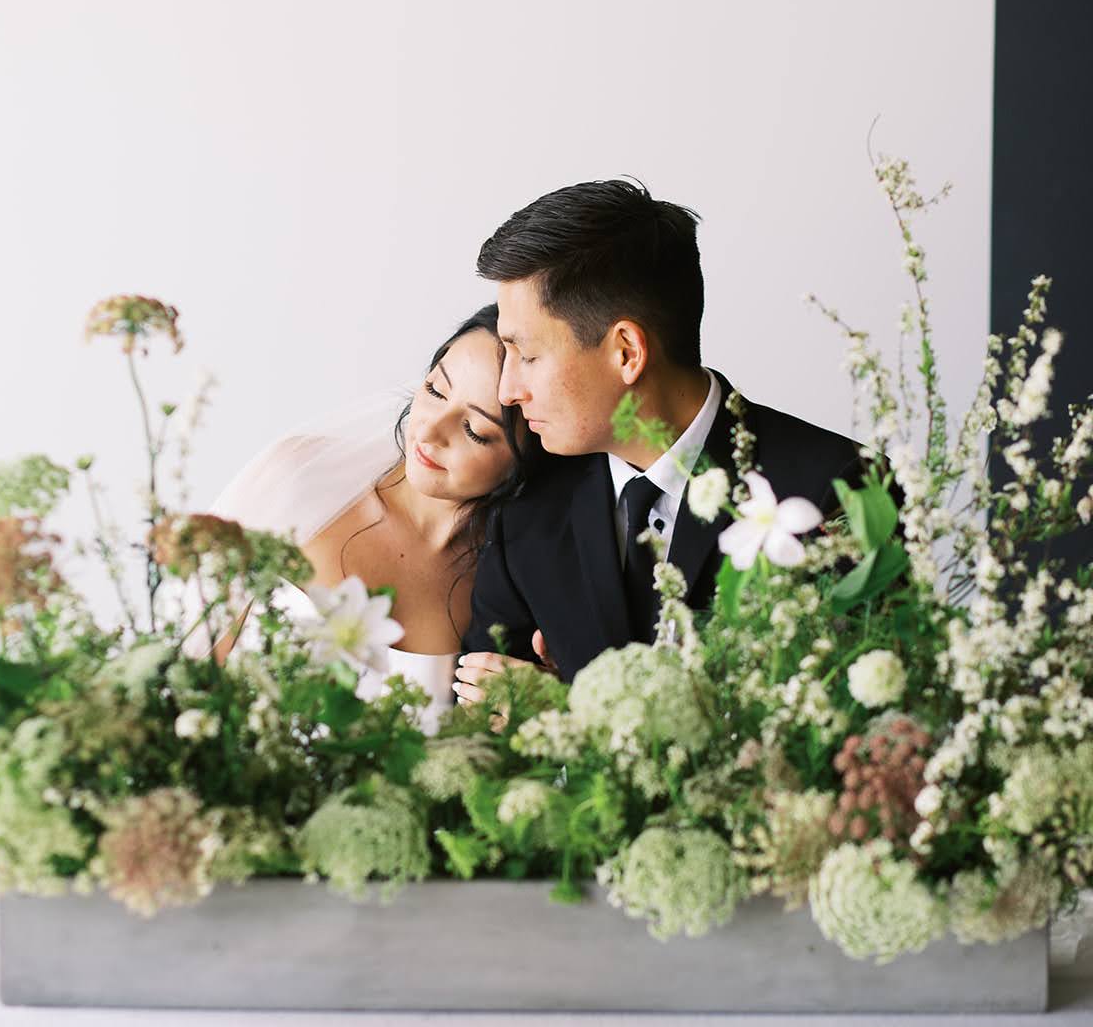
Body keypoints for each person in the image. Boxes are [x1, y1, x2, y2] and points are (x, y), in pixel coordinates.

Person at [455, 179, 865, 699]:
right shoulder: (528, 514)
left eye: (527, 355)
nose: (508, 391)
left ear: (627, 351)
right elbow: (475, 733)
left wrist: (562, 715)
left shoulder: (840, 491)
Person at [201, 305, 542, 725]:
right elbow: (186, 666)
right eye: (436, 390)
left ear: (526, 456)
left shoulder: (506, 589)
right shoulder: (299, 478)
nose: (431, 431)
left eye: (475, 430)